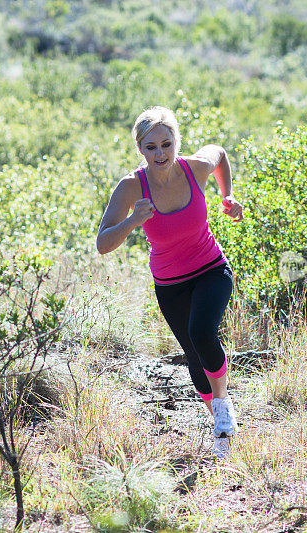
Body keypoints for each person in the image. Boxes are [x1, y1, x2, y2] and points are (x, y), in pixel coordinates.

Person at [96, 106, 244, 458]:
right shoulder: (132, 186)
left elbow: (220, 154)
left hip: (211, 268)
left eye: (166, 144)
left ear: (177, 141)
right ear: (140, 148)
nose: (160, 153)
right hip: (170, 285)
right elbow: (103, 243)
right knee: (194, 357)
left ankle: (222, 408)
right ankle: (221, 428)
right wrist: (133, 221)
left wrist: (227, 196)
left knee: (202, 332)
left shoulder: (195, 167)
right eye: (151, 147)